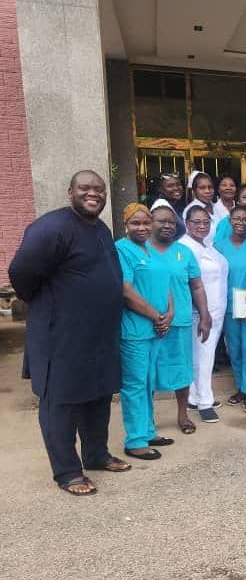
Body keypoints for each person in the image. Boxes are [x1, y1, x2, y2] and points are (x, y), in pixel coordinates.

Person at [9, 171, 129, 495]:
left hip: (99, 336)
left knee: (98, 396)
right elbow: (21, 272)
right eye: (85, 188)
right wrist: (44, 302)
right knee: (61, 401)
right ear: (70, 191)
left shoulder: (100, 228)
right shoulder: (52, 227)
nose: (93, 194)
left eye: (99, 189)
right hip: (61, 335)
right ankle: (67, 472)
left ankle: (96, 455)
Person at [116, 203, 174, 461]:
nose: (141, 227)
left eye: (145, 223)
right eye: (135, 223)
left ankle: (148, 431)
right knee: (135, 384)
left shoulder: (151, 249)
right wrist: (155, 315)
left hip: (156, 328)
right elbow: (126, 291)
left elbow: (166, 283)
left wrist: (169, 313)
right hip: (135, 330)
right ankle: (136, 441)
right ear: (125, 226)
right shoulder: (121, 249)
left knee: (149, 382)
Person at [148, 200, 211, 435]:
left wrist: (204, 315)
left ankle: (183, 414)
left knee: (181, 370)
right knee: (148, 372)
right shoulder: (139, 250)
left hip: (180, 322)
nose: (167, 225)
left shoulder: (184, 252)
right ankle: (147, 418)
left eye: (171, 222)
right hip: (147, 323)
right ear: (150, 222)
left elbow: (197, 286)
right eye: (161, 221)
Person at [179, 205, 229, 423]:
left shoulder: (207, 245)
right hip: (201, 313)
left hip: (216, 310)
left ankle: (194, 396)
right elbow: (188, 283)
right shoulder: (184, 247)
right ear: (186, 223)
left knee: (202, 355)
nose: (202, 226)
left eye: (206, 222)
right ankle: (205, 403)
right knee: (203, 357)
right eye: (196, 222)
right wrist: (203, 313)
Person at [214, 205, 246, 413]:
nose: (241, 222)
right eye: (237, 218)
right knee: (234, 349)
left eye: (245, 219)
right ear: (229, 221)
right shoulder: (219, 246)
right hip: (227, 306)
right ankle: (241, 389)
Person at [183, 171, 219, 244]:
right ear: (194, 191)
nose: (207, 191)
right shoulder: (190, 210)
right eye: (202, 188)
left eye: (210, 187)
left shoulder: (216, 206)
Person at [155, 171, 187, 239]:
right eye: (170, 186)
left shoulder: (176, 205)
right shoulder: (162, 207)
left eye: (178, 184)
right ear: (161, 189)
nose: (176, 188)